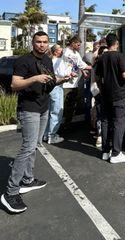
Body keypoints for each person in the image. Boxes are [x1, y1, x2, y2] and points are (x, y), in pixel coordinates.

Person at [1, 31, 56, 214]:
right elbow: (14, 85)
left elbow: (49, 83)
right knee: (27, 147)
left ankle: (28, 179)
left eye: (45, 42)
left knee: (35, 145)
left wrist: (62, 79)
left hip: (43, 107)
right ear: (33, 42)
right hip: (28, 109)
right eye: (38, 41)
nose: (42, 44)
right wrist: (34, 78)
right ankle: (10, 192)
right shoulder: (23, 60)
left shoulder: (47, 60)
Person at [96, 33, 125, 163]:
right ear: (116, 43)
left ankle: (105, 152)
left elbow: (97, 78)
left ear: (107, 43)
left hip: (105, 95)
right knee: (119, 123)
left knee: (105, 122)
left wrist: (102, 90)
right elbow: (124, 75)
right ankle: (116, 154)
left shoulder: (101, 58)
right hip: (119, 95)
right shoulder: (120, 56)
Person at [43, 44, 72, 144]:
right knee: (56, 112)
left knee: (49, 111)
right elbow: (64, 75)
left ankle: (46, 134)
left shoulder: (49, 61)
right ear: (55, 52)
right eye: (60, 50)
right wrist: (70, 73)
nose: (62, 51)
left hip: (49, 88)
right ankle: (52, 135)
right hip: (57, 87)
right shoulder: (59, 61)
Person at [62, 36, 92, 128]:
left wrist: (91, 67)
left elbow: (81, 65)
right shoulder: (65, 52)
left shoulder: (76, 53)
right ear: (73, 43)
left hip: (74, 83)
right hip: (65, 84)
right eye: (78, 45)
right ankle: (61, 125)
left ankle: (67, 124)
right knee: (64, 106)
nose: (79, 47)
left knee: (71, 105)